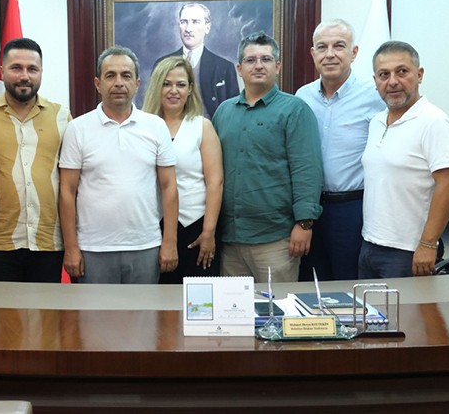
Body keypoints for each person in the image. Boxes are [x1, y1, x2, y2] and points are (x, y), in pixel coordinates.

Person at [59, 46, 179, 284]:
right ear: (98, 83)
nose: (118, 83)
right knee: (95, 310)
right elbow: (67, 191)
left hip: (145, 245)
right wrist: (71, 247)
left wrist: (170, 241)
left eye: (126, 75)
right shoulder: (78, 129)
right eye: (110, 75)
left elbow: (169, 187)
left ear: (137, 83)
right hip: (93, 249)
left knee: (144, 309)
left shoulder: (156, 126)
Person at [212, 32, 323, 283]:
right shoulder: (224, 112)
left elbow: (307, 169)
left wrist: (304, 224)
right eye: (251, 60)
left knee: (276, 305)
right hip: (230, 239)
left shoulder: (295, 110)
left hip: (276, 239)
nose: (259, 65)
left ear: (278, 66)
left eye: (266, 59)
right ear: (239, 69)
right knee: (234, 308)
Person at [0, 38, 71, 282]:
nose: (24, 76)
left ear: (41, 73)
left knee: (47, 307)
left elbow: (73, 184)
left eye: (32, 69)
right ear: (2, 70)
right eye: (16, 68)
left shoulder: (62, 116)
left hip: (48, 242)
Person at [359, 41, 449, 279]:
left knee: (406, 307)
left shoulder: (434, 122)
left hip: (409, 251)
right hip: (369, 244)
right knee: (366, 305)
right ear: (375, 81)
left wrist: (428, 244)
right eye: (384, 74)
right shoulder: (376, 122)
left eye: (402, 71)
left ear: (419, 74)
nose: (393, 81)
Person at [295, 19, 385, 281]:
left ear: (354, 52)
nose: (330, 54)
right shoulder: (302, 97)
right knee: (310, 284)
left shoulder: (374, 96)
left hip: (353, 209)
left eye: (339, 46)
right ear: (313, 54)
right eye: (322, 47)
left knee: (349, 283)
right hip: (310, 209)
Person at [142, 56, 224, 283]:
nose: (173, 90)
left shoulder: (202, 126)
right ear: (157, 87)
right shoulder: (143, 127)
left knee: (199, 300)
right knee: (158, 299)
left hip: (196, 228)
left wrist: (208, 232)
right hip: (152, 227)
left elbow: (215, 183)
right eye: (166, 84)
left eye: (180, 84)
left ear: (190, 89)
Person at [156, 3, 238, 118]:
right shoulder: (161, 64)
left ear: (207, 27)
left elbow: (234, 113)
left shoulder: (224, 67)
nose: (188, 29)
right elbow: (154, 106)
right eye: (184, 22)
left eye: (195, 22)